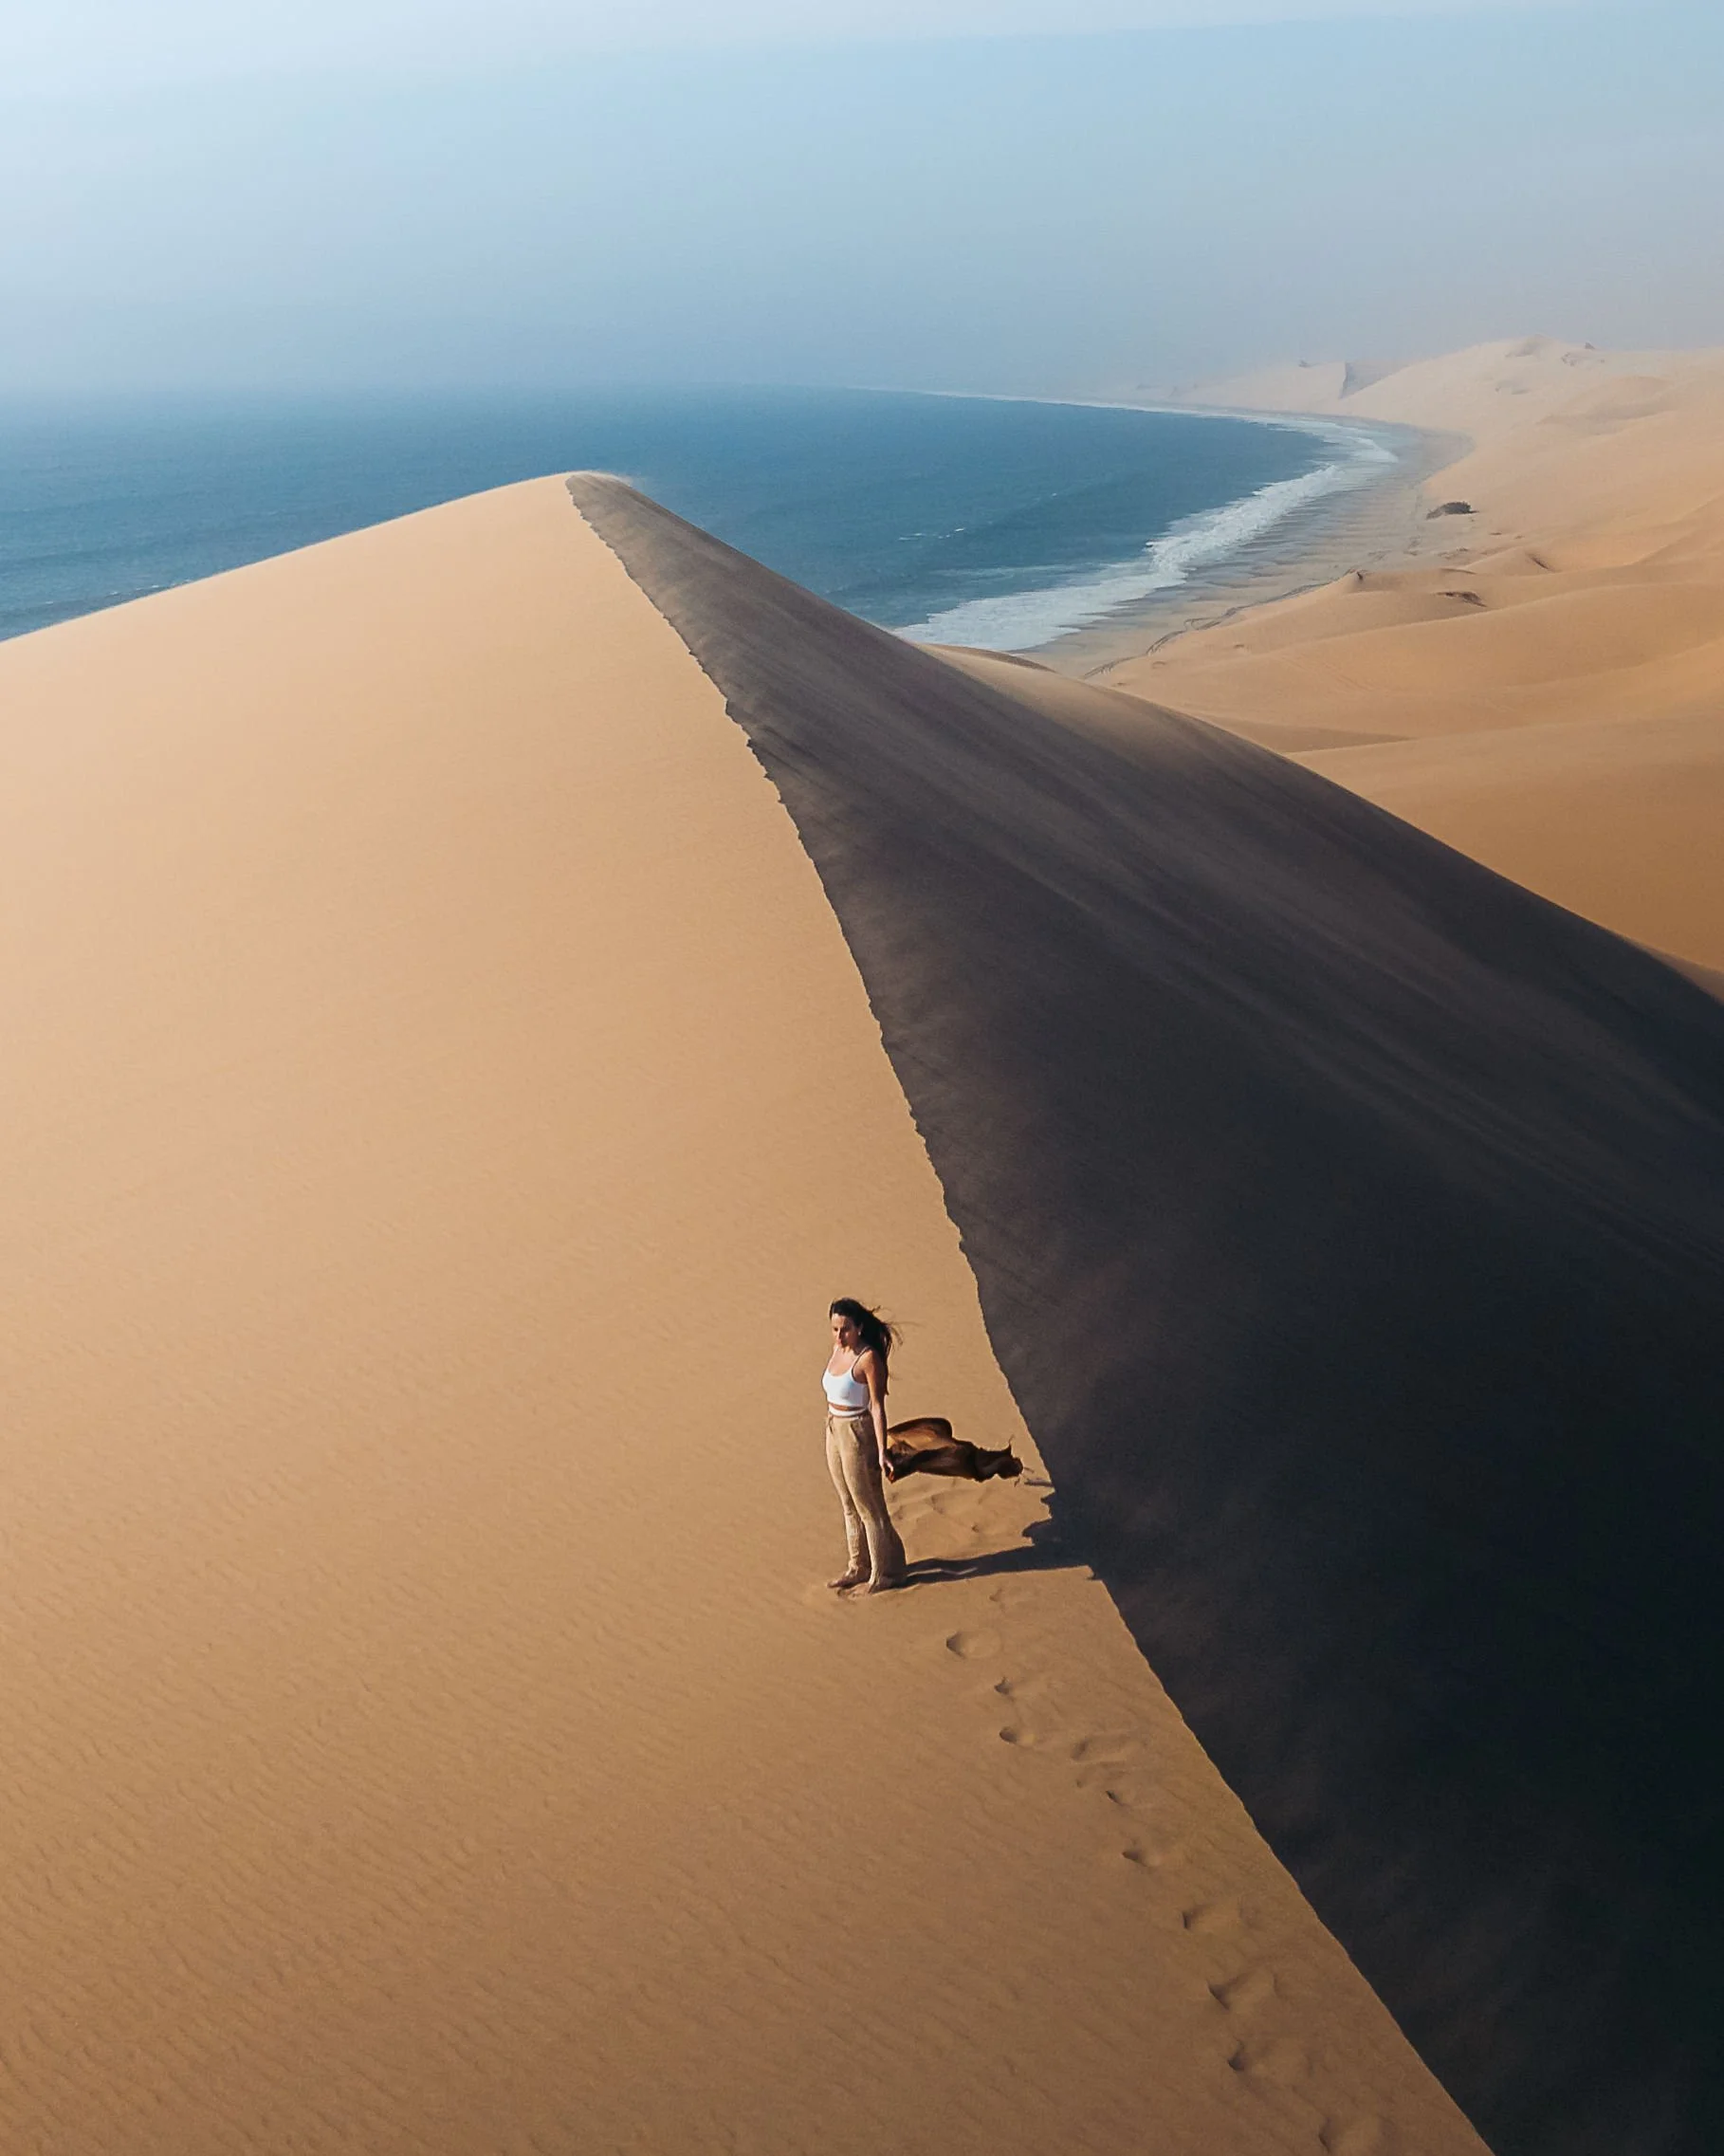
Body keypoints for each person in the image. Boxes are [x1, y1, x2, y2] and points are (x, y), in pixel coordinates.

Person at [824, 1298, 907, 1594]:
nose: (839, 1335)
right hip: (834, 1429)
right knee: (848, 1503)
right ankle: (858, 1566)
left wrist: (882, 1450)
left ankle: (883, 1573)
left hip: (858, 1433)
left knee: (868, 1505)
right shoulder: (837, 1349)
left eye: (845, 1329)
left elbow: (877, 1406)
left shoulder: (869, 1359)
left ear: (858, 1327)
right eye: (835, 1329)